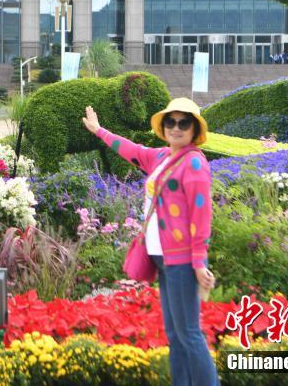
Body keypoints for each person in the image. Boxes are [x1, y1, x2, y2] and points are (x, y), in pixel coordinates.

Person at [82, 97, 219, 386]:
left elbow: (201, 215)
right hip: (162, 256)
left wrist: (198, 263)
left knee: (190, 334)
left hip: (182, 259)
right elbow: (132, 150)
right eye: (171, 121)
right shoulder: (161, 157)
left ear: (195, 129)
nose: (176, 128)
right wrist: (99, 130)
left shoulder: (194, 163)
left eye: (184, 123)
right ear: (164, 126)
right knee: (175, 334)